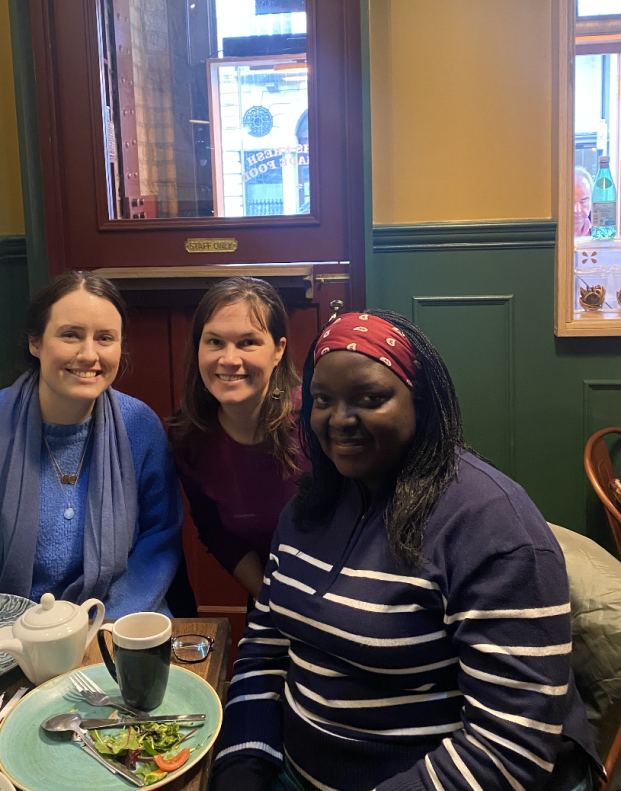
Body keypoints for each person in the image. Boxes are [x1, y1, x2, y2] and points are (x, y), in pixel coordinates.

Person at [212, 310, 602, 791]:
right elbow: (265, 654)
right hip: (292, 771)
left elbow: (510, 747)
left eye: (370, 398)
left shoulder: (489, 523)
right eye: (322, 399)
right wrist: (241, 765)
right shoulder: (308, 508)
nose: (340, 419)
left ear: (421, 400)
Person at [0, 272, 183, 616]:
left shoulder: (140, 426)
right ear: (35, 343)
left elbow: (159, 542)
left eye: (106, 338)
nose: (89, 354)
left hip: (117, 627)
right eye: (70, 335)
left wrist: (104, 627)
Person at [169, 277, 305, 601]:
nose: (229, 359)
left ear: (278, 350)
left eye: (248, 342)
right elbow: (215, 532)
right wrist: (270, 600)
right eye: (215, 342)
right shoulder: (189, 439)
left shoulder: (316, 421)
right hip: (273, 599)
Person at [575, 165, 593, 237]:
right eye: (570, 203)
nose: (577, 210)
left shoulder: (600, 232)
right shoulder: (553, 234)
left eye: (583, 201)